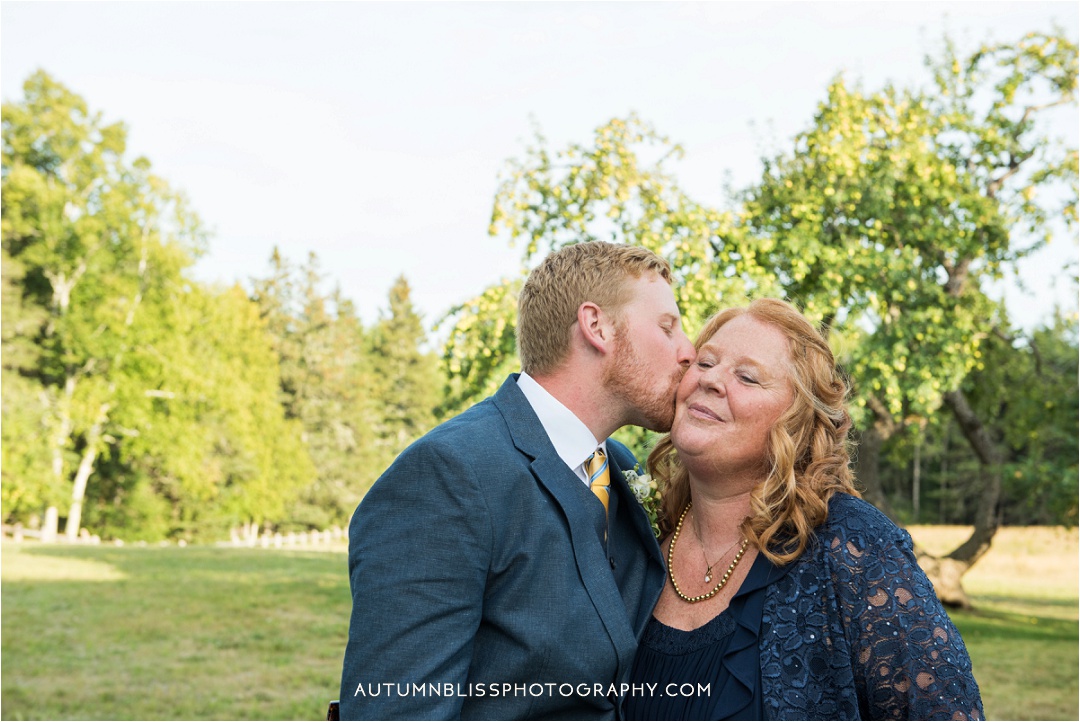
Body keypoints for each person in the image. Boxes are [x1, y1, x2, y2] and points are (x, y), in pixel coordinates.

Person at [338, 241, 696, 720]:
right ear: (597, 327)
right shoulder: (448, 475)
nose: (689, 352)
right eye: (667, 327)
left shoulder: (620, 465)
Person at [624, 298, 984, 721]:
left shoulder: (854, 548)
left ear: (797, 421)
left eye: (747, 377)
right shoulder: (636, 532)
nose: (712, 381)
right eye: (704, 363)